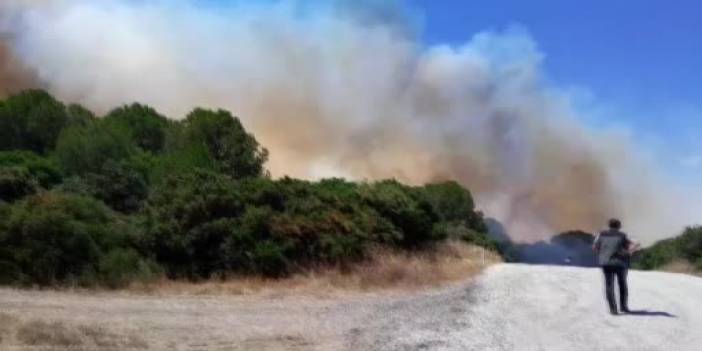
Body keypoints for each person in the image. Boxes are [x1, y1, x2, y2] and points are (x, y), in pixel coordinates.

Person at [592, 218, 640, 315]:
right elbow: (634, 244)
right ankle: (623, 307)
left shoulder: (601, 234)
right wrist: (631, 251)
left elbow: (594, 248)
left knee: (609, 286)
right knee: (622, 285)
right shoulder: (622, 236)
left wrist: (603, 254)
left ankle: (613, 309)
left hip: (606, 263)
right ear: (619, 226)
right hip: (620, 263)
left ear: (609, 225)